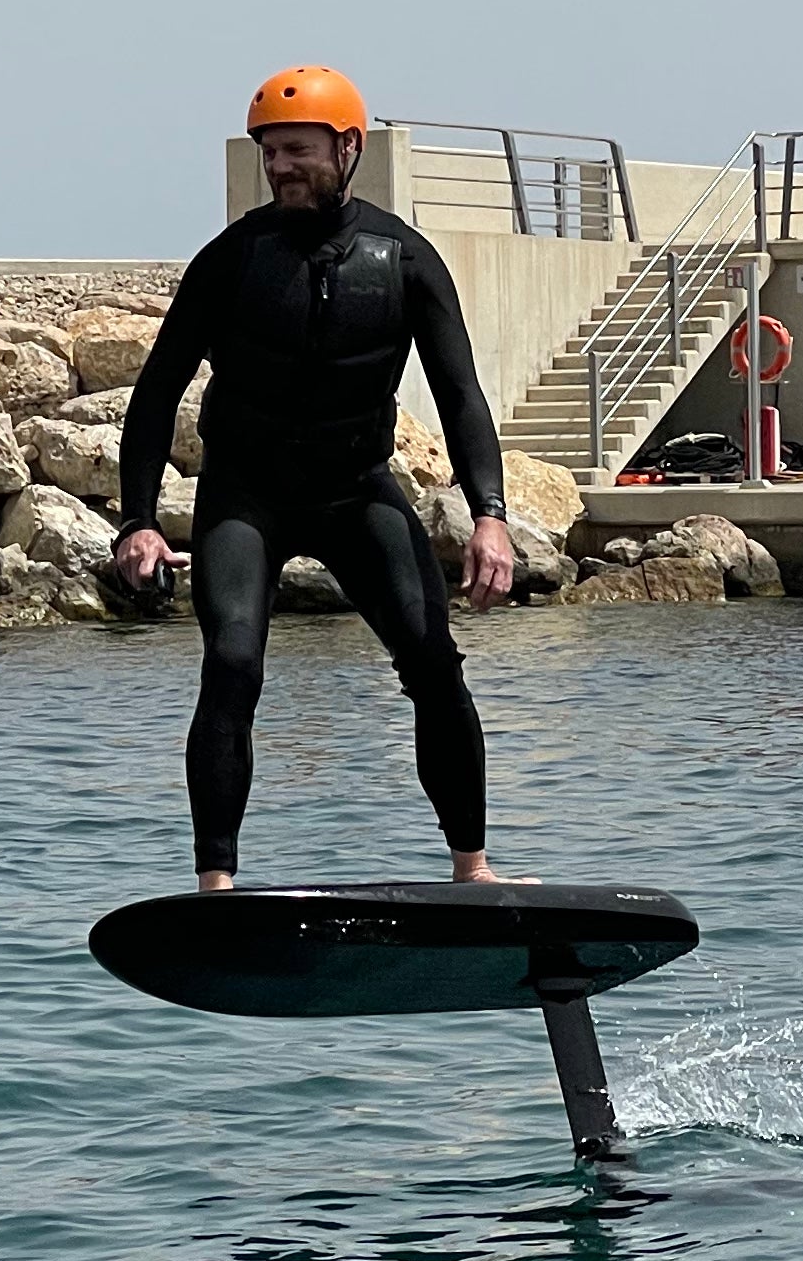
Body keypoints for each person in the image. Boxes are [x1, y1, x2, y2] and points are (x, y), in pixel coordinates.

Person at [113, 67, 516, 893]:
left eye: (297, 150)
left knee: (433, 663)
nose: (281, 166)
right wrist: (139, 521)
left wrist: (490, 515)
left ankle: (473, 872)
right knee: (232, 663)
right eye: (270, 152)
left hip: (356, 492)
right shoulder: (231, 260)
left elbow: (460, 394)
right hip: (246, 495)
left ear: (349, 149)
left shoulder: (405, 260)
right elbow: (156, 394)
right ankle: (217, 890)